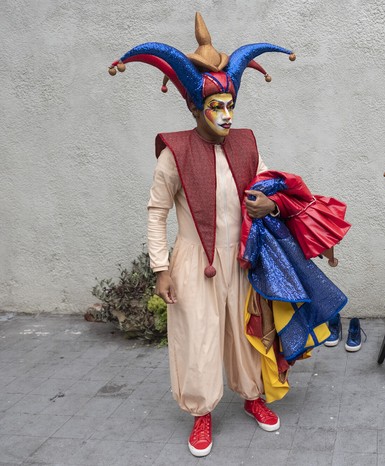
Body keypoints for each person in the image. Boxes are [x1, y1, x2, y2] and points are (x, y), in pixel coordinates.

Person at [109, 13, 299, 457]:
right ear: (196, 108)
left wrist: (272, 204)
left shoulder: (248, 143)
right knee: (198, 337)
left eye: (231, 105)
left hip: (242, 258)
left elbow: (272, 184)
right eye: (217, 107)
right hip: (195, 261)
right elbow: (157, 212)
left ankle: (253, 396)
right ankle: (201, 414)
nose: (227, 115)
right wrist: (161, 268)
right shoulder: (174, 152)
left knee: (248, 332)